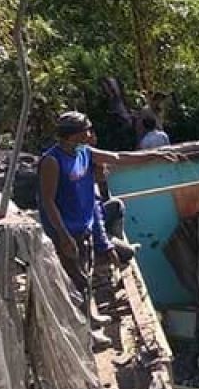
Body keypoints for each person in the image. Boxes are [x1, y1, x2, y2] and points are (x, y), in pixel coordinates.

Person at [39, 112, 172, 348]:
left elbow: (118, 157)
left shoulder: (85, 153)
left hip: (85, 228)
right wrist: (62, 235)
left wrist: (154, 156)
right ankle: (85, 333)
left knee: (86, 277)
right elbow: (48, 201)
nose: (91, 134)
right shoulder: (52, 161)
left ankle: (90, 316)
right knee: (75, 282)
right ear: (74, 134)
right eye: (87, 130)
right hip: (67, 232)